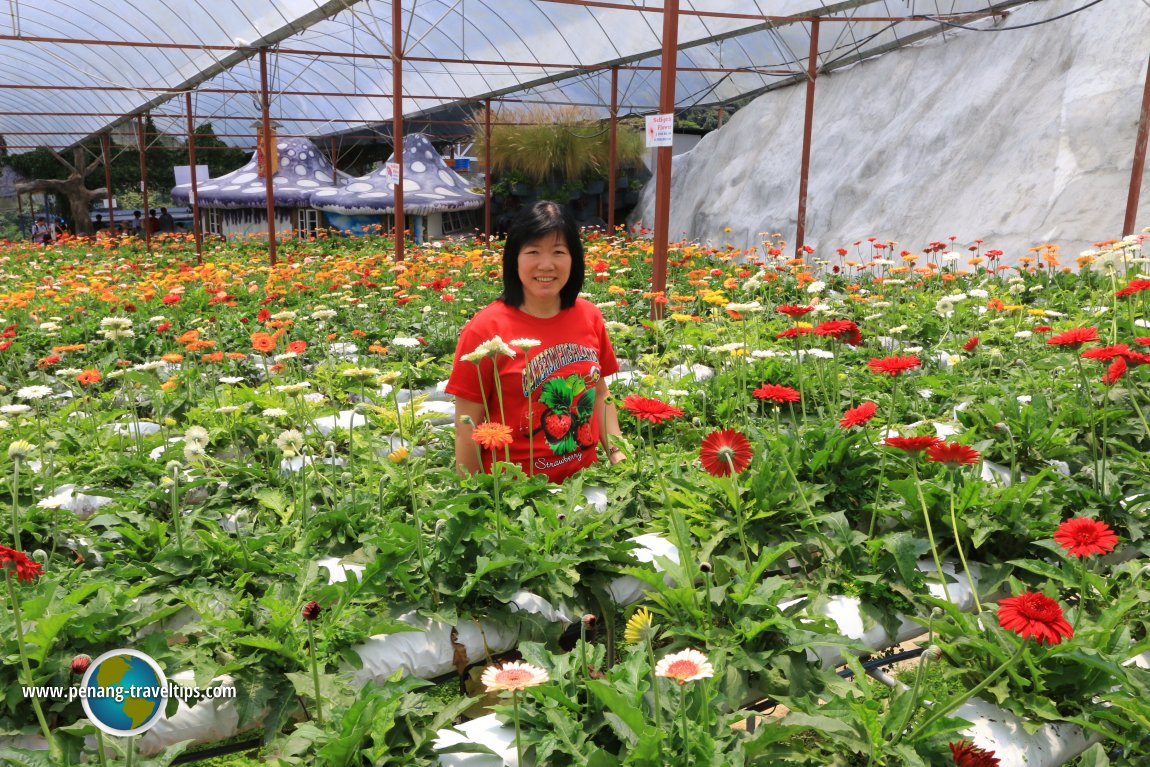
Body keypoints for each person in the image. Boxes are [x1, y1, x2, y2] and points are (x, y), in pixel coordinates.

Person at [446, 200, 625, 483]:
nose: (546, 265)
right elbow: (466, 427)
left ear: (574, 259)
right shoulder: (484, 332)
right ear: (514, 259)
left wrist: (617, 453)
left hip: (586, 485)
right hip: (515, 496)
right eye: (532, 252)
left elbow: (601, 395)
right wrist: (476, 497)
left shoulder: (589, 316)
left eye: (558, 252)